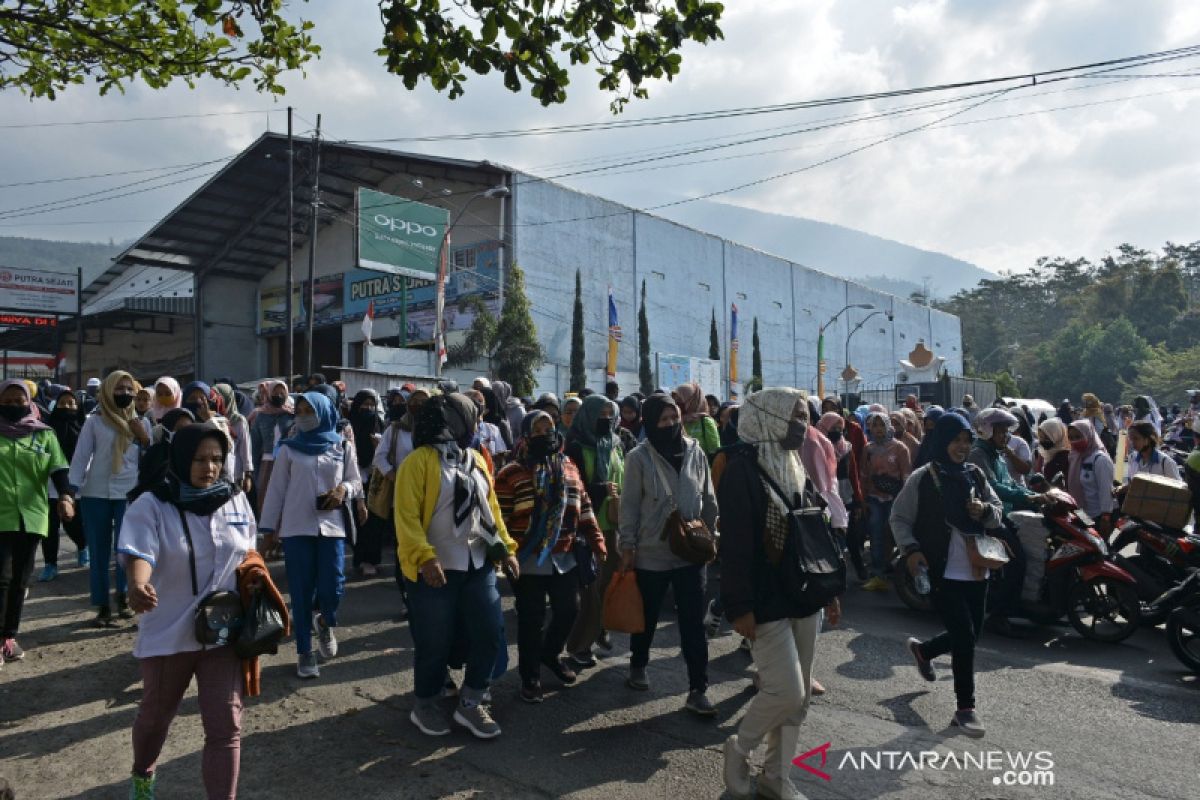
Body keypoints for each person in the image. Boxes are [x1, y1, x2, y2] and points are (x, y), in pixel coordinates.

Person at [117, 423, 257, 799]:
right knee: (154, 719)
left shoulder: (235, 499)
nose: (208, 468)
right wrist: (137, 584)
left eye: (215, 459)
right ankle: (143, 776)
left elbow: (248, 551)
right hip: (169, 631)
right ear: (180, 459)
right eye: (198, 459)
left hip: (223, 632)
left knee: (225, 726)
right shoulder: (152, 504)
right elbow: (139, 552)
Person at [718, 387, 843, 799]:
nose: (800, 425)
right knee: (785, 690)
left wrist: (830, 589)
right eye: (793, 417)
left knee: (801, 697)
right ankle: (740, 747)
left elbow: (816, 531)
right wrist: (739, 607)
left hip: (805, 593)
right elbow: (734, 546)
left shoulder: (793, 463)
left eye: (803, 416)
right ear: (768, 417)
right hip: (765, 600)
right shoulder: (742, 469)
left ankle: (777, 777)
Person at [394, 394, 519, 739]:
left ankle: (471, 702)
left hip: (477, 564)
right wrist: (425, 557)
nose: (477, 424)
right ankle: (425, 703)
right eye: (471, 417)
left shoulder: (475, 458)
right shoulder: (417, 462)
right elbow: (405, 516)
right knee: (434, 641)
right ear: (453, 419)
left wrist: (506, 549)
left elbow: (490, 509)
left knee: (490, 632)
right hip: (434, 569)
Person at [893, 413, 1004, 739]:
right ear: (942, 441)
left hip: (977, 567)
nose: (962, 447)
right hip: (942, 571)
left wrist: (983, 511)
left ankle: (924, 651)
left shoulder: (975, 474)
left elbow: (997, 511)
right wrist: (911, 551)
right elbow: (899, 518)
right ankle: (965, 708)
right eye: (956, 440)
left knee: (971, 634)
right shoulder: (923, 477)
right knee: (965, 638)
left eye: (967, 441)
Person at [495, 411, 607, 702]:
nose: (546, 433)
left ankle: (550, 653)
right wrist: (505, 553)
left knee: (569, 609)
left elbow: (583, 504)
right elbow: (501, 518)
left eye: (550, 427)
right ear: (526, 433)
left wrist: (596, 539)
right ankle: (530, 676)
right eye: (538, 428)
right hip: (527, 558)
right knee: (531, 619)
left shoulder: (568, 466)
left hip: (564, 554)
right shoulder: (511, 472)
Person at [618, 393, 719, 715]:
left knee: (692, 623)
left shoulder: (695, 452)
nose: (671, 424)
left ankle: (697, 688)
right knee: (646, 617)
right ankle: (638, 663)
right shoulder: (638, 458)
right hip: (652, 553)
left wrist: (711, 536)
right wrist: (627, 546)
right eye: (663, 420)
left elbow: (708, 497)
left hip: (690, 551)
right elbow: (629, 506)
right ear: (649, 422)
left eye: (674, 417)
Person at [259, 392, 361, 679]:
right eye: (300, 410)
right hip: (296, 528)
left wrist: (344, 491)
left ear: (324, 411)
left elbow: (355, 480)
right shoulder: (288, 449)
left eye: (310, 410)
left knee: (334, 587)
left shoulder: (342, 444)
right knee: (301, 592)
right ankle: (305, 651)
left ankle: (326, 621)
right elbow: (276, 490)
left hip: (332, 527)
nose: (303, 415)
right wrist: (267, 532)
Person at [68, 370, 152, 626]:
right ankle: (102, 605)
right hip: (96, 492)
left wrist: (143, 437)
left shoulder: (141, 422)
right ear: (107, 391)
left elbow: (150, 458)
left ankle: (124, 599)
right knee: (99, 550)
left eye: (129, 389)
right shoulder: (94, 421)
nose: (125, 394)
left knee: (125, 551)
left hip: (129, 493)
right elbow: (82, 456)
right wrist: (70, 491)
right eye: (119, 388)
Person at [0, 380, 72, 668]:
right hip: (1, 515)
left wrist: (66, 496)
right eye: (8, 401)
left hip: (32, 516)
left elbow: (59, 470)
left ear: (29, 402)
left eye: (20, 400)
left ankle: (9, 637)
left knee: (20, 580)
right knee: (1, 579)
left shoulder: (45, 435)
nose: (15, 406)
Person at [968, 407, 1048, 637]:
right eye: (1001, 431)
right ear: (987, 431)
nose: (1006, 436)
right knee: (1017, 560)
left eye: (1006, 432)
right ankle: (999, 614)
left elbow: (1011, 484)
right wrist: (1026, 497)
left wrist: (1031, 494)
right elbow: (994, 488)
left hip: (1005, 513)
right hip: (988, 517)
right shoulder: (978, 455)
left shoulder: (997, 454)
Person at [563, 395, 626, 668]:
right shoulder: (575, 447)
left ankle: (596, 631)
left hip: (612, 525)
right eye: (600, 413)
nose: (605, 419)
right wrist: (599, 490)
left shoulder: (615, 444)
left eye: (609, 413)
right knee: (590, 590)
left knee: (605, 586)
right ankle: (579, 645)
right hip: (587, 528)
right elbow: (570, 487)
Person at [859, 412, 911, 591]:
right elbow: (863, 475)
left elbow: (906, 476)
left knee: (892, 534)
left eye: (882, 425)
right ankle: (878, 574)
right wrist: (863, 499)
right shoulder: (868, 449)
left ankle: (896, 570)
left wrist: (904, 500)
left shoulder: (900, 448)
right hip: (874, 498)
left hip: (895, 499)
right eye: (875, 425)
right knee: (875, 532)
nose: (878, 429)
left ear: (889, 426)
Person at [40, 389, 88, 581]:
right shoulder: (46, 429)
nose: (67, 407)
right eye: (63, 404)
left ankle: (83, 546)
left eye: (71, 403)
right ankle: (50, 564)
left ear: (78, 407)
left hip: (77, 484)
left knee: (73, 524)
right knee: (49, 528)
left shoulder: (85, 427)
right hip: (50, 484)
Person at [819, 411, 866, 580]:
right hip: (825, 494)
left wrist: (858, 500)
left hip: (845, 494)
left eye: (840, 427)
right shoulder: (818, 445)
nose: (837, 430)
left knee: (850, 535)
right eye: (833, 426)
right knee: (828, 536)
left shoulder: (846, 447)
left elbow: (853, 475)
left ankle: (860, 569)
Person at [348, 389, 388, 577]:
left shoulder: (379, 423)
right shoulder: (349, 425)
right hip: (355, 478)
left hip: (376, 479)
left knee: (375, 522)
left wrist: (376, 447)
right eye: (364, 405)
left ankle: (371, 559)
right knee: (359, 522)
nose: (368, 409)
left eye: (372, 405)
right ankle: (359, 558)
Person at [248, 379, 293, 515]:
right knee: (265, 496)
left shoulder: (292, 415)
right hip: (266, 463)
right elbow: (255, 445)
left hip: (287, 462)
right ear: (269, 393)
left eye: (282, 392)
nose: (279, 395)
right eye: (275, 392)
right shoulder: (260, 415)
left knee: (286, 497)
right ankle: (267, 532)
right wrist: (253, 471)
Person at [1066, 420, 1115, 537]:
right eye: (1071, 438)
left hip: (1099, 515)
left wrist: (1105, 517)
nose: (1074, 441)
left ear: (1089, 435)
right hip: (1082, 513)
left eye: (1078, 436)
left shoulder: (1100, 459)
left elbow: (1105, 489)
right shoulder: (1075, 456)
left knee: (1100, 550)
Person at [213, 383, 254, 494]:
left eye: (219, 397)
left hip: (236, 473)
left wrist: (248, 475)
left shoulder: (239, 421)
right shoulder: (213, 419)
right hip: (218, 473)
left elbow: (245, 449)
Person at [1122, 421, 1182, 486]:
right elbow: (1131, 483)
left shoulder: (1166, 463)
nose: (1132, 442)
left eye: (1136, 438)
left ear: (1148, 439)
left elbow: (1178, 490)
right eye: (1130, 439)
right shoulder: (1132, 458)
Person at [674, 382, 721, 457]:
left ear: (693, 400)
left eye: (681, 400)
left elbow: (714, 451)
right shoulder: (676, 421)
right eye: (676, 400)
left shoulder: (706, 421)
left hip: (701, 467)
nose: (677, 404)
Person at [1035, 418, 1070, 487]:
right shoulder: (1044, 452)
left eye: (1047, 438)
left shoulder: (1066, 457)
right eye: (1041, 437)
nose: (1043, 441)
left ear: (1057, 435)